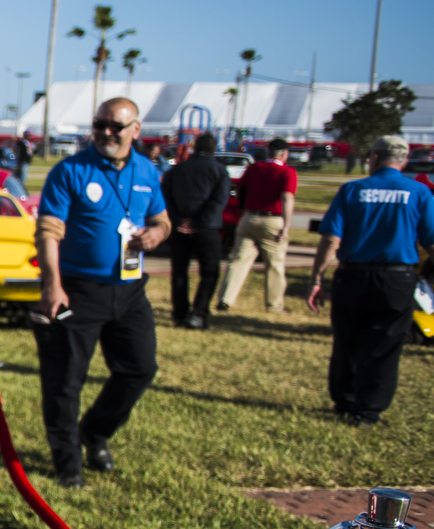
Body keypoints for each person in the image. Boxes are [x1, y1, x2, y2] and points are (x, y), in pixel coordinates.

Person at [31, 96, 171, 487]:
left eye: (116, 126)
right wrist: (53, 285)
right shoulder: (70, 171)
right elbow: (48, 231)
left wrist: (157, 234)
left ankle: (94, 432)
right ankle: (67, 463)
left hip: (128, 291)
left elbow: (162, 220)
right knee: (65, 379)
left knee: (139, 369)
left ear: (136, 130)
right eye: (99, 124)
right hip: (77, 289)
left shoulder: (147, 171)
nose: (106, 132)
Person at [306, 135, 434, 425]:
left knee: (347, 340)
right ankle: (367, 410)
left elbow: (330, 239)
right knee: (385, 345)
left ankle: (345, 399)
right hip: (396, 278)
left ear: (374, 158)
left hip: (352, 275)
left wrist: (317, 278)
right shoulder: (420, 193)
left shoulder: (353, 190)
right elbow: (431, 242)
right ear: (403, 161)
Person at [218, 138, 298, 312]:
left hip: (249, 217)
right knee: (274, 264)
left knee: (238, 260)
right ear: (285, 154)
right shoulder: (288, 172)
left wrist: (243, 208)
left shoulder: (254, 168)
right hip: (273, 220)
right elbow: (287, 197)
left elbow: (239, 190)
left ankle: (225, 299)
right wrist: (286, 226)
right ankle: (274, 305)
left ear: (268, 153)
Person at [160, 133, 229, 329]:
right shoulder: (219, 170)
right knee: (209, 272)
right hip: (207, 228)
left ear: (194, 147)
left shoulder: (177, 169)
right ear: (214, 149)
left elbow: (166, 198)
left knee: (179, 271)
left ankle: (180, 313)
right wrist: (199, 222)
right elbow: (218, 201)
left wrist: (179, 220)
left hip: (180, 226)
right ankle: (199, 313)